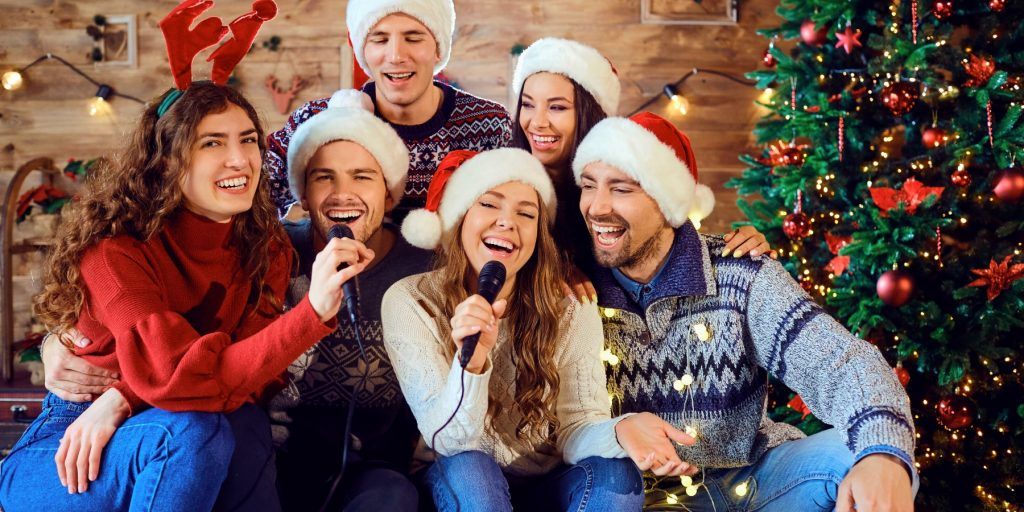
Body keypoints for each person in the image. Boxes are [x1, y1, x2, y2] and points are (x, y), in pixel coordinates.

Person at [0, 82, 361, 511]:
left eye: (248, 140)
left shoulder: (267, 247)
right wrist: (312, 313)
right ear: (168, 161)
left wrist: (124, 396)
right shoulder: (115, 251)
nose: (239, 159)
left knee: (240, 422)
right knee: (192, 429)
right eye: (212, 142)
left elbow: (254, 374)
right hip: (73, 440)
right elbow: (175, 373)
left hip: (172, 425)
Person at [572, 111, 918, 511]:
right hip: (641, 499)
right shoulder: (574, 289)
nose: (597, 206)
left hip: (752, 482)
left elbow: (840, 362)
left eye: (622, 189)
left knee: (867, 456)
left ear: (667, 202)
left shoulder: (740, 272)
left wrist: (884, 456)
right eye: (588, 185)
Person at [383, 148, 696, 511]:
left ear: (537, 236)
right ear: (460, 218)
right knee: (473, 471)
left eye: (526, 213)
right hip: (460, 474)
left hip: (548, 482)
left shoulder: (569, 310)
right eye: (488, 204)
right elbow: (449, 441)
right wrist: (471, 365)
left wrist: (619, 430)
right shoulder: (412, 301)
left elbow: (576, 428)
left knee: (617, 476)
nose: (506, 222)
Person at [509, 37, 771, 301]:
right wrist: (545, 271)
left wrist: (746, 245)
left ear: (588, 113)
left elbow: (664, 244)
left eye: (557, 107)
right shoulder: (504, 181)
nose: (537, 122)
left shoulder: (611, 182)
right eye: (528, 104)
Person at [271, 89, 432, 511]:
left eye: (362, 176)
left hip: (375, 469)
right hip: (276, 454)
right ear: (303, 196)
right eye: (324, 177)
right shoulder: (272, 253)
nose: (343, 193)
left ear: (390, 194)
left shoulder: (427, 269)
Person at [265, 0, 512, 219]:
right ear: (364, 50)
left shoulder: (490, 125)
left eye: (413, 38)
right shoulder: (317, 121)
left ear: (438, 48)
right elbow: (257, 200)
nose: (395, 56)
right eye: (380, 39)